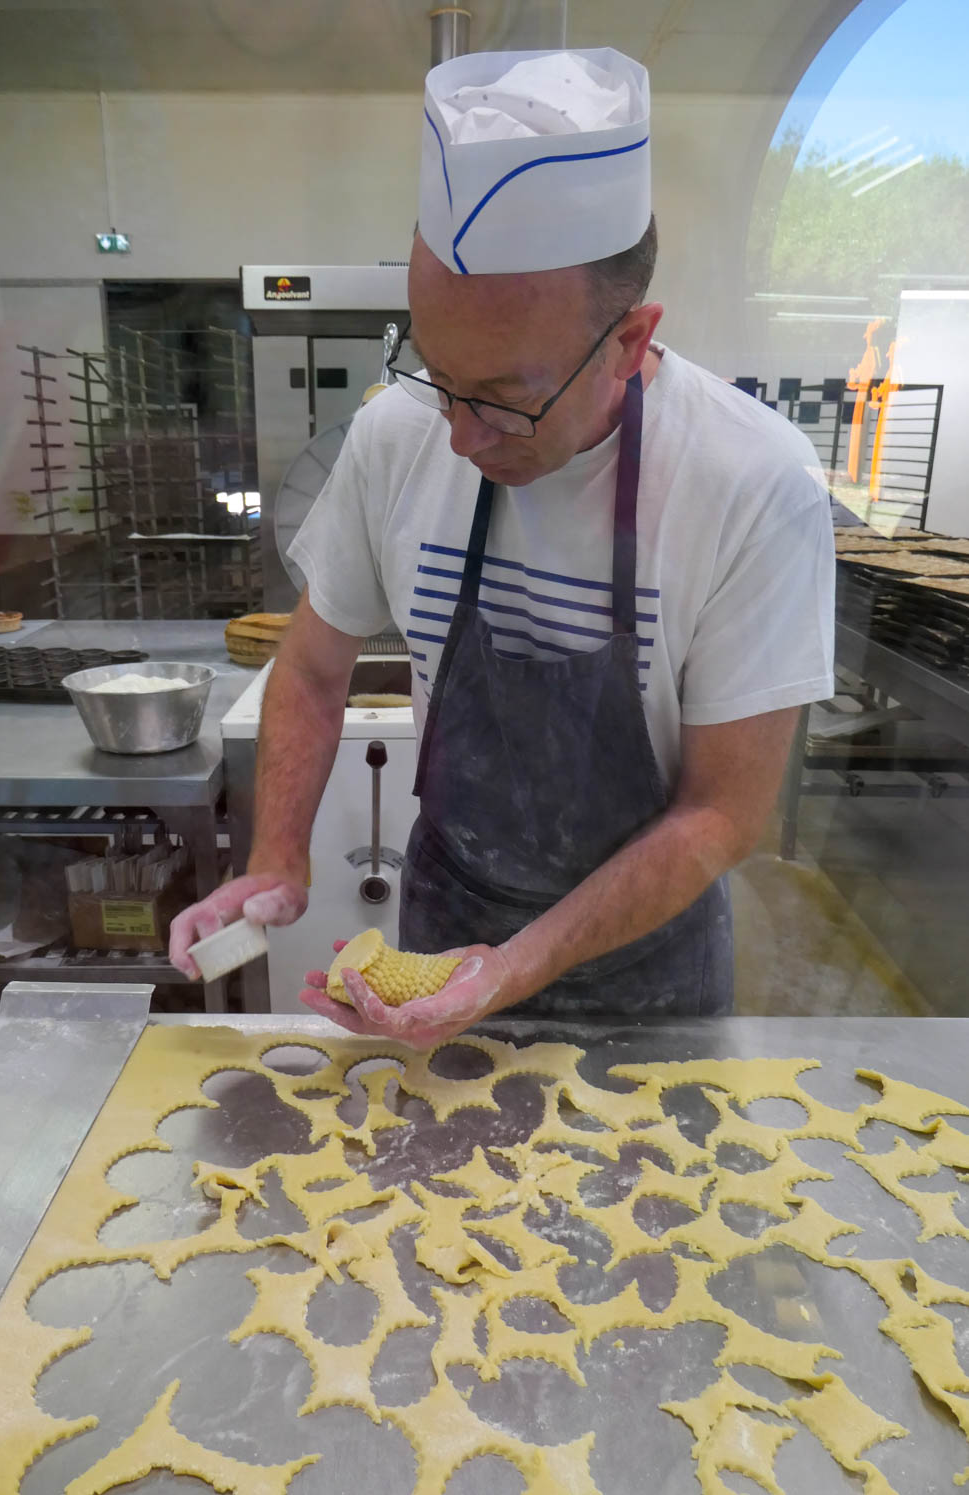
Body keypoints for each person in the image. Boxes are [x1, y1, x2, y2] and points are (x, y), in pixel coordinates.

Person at [170, 46, 834, 1047]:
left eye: (503, 399)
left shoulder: (752, 483)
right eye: (438, 377)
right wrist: (277, 857)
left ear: (627, 341)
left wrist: (513, 968)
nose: (459, 437)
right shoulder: (396, 435)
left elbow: (723, 813)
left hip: (649, 975)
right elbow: (309, 669)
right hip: (448, 918)